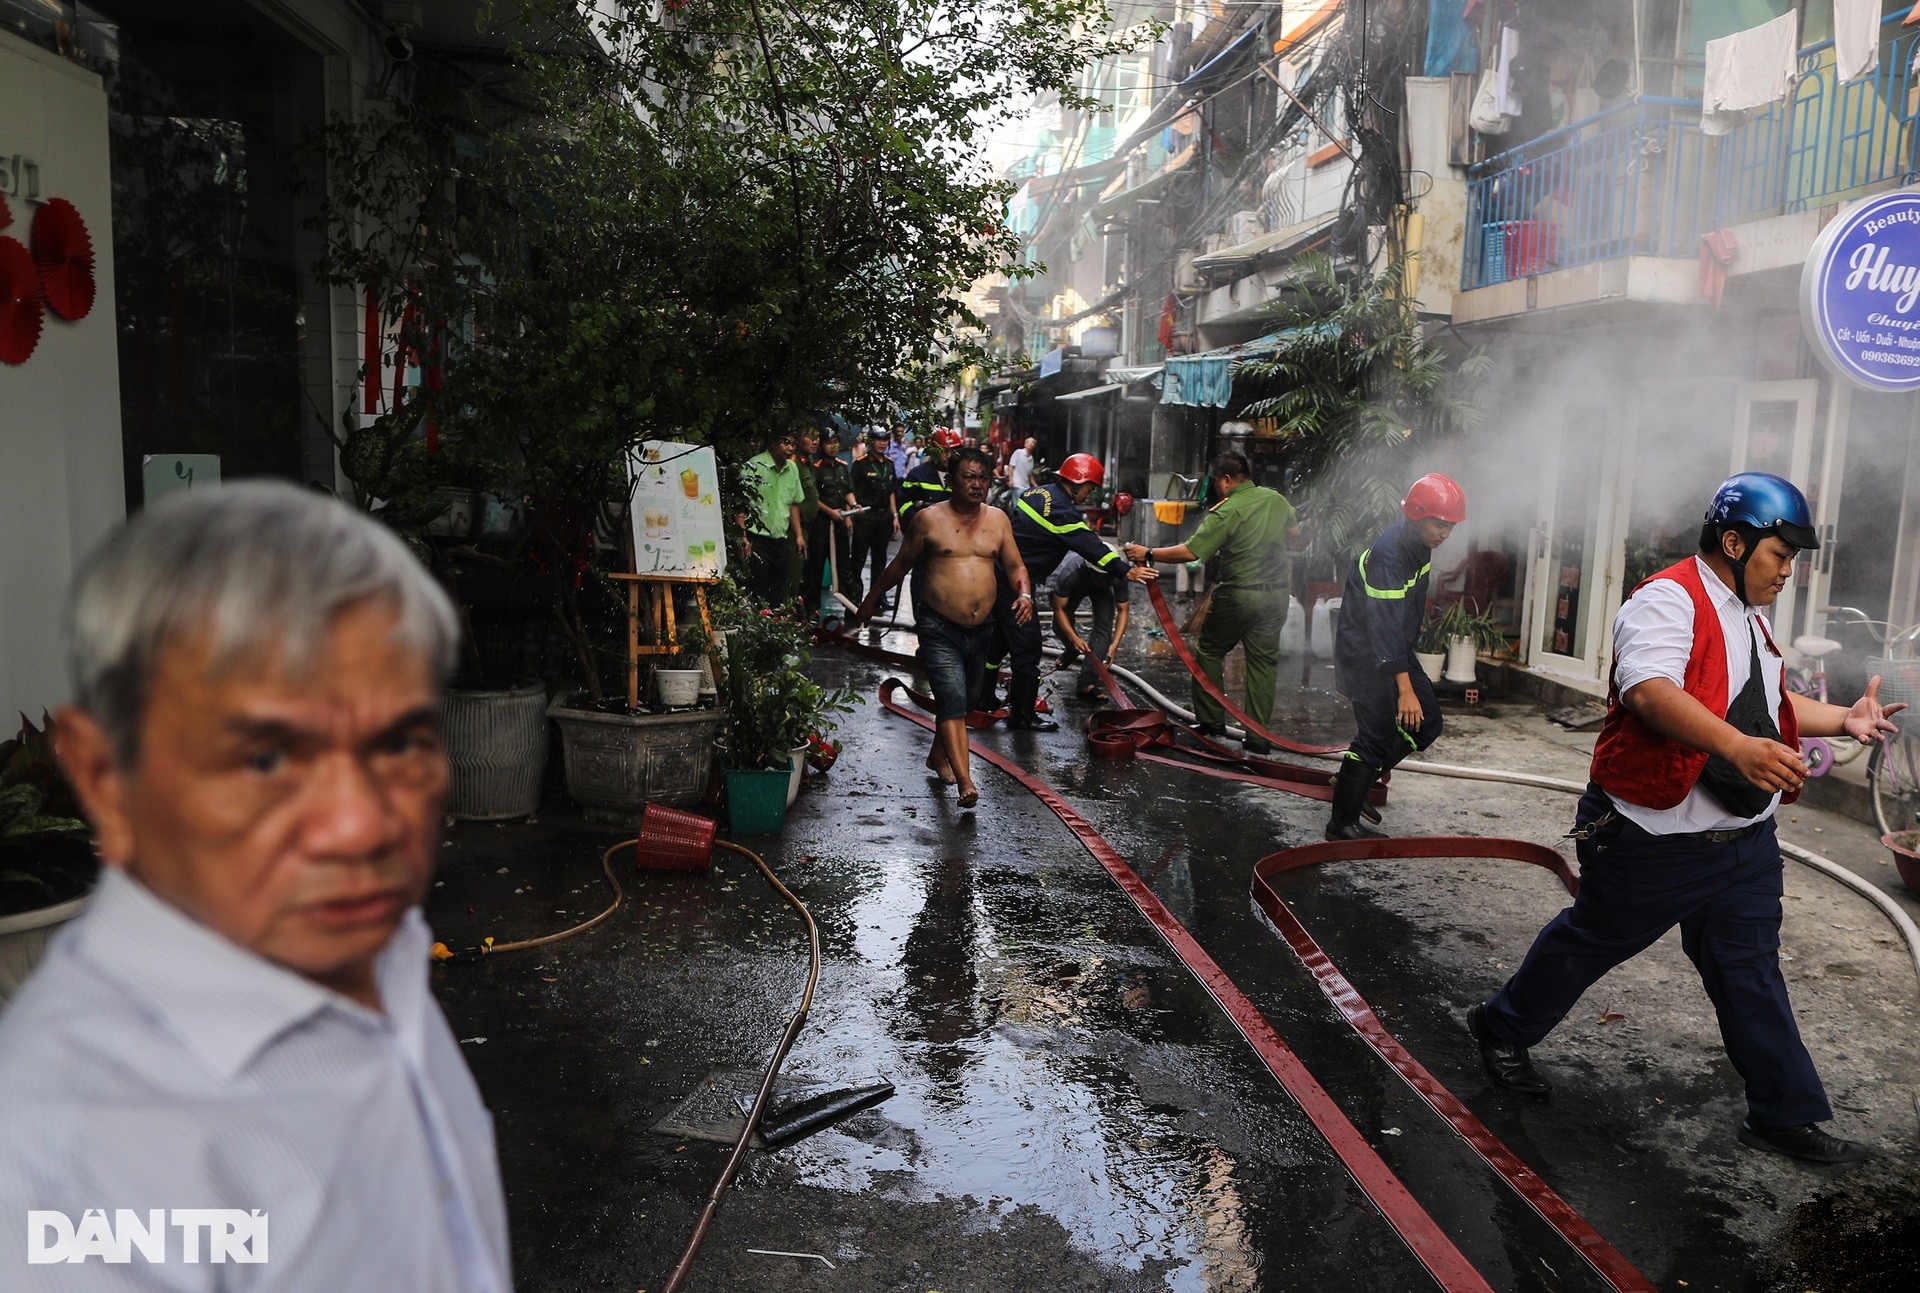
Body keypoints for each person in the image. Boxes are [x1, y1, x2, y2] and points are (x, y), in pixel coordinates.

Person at [0, 483, 510, 1292]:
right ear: (106, 779)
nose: (361, 825)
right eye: (267, 758)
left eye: (398, 741)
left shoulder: (373, 962)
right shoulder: (76, 1156)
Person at [1468, 472, 1902, 1166]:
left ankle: (1782, 1113)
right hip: (1653, 836)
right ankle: (1500, 1026)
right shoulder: (1668, 598)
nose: (1787, 572)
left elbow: (1773, 701)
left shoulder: (1749, 615)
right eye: (1778, 555)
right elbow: (1648, 689)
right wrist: (1734, 744)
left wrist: (1845, 719)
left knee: (1750, 969)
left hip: (1744, 845)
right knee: (1593, 939)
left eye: (1792, 560)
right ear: (1733, 541)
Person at [854, 447, 1033, 809]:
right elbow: (901, 563)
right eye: (969, 477)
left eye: (983, 478)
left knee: (963, 701)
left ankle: (938, 756)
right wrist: (872, 598)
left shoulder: (998, 519)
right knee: (952, 700)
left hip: (982, 628)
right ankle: (965, 781)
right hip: (938, 626)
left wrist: (1025, 594)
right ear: (951, 480)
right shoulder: (928, 519)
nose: (977, 485)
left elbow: (1015, 565)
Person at [1123, 450, 1299, 755]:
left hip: (1238, 594)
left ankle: (1211, 721)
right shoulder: (1276, 499)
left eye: (1217, 483)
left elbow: (1192, 552)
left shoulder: (1227, 510)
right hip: (1275, 596)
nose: (1217, 489)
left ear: (1227, 480)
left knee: (1209, 650)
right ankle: (1258, 738)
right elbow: (1295, 535)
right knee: (1263, 664)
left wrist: (1147, 552)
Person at [1320, 472, 1462, 839]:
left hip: (1393, 649)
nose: (1445, 534)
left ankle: (1355, 781)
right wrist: (1405, 688)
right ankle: (1342, 823)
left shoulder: (1420, 546)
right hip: (1367, 655)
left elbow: (1403, 616)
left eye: (1451, 526)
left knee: (1427, 722)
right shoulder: (1389, 557)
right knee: (1376, 735)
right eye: (1440, 524)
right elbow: (1382, 627)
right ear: (1416, 514)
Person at [1007, 453, 1154, 729]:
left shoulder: (1035, 492)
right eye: (1090, 488)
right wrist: (1126, 570)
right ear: (1077, 481)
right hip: (1017, 582)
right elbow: (1090, 544)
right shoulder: (1061, 511)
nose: (1089, 494)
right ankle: (1022, 717)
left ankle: (983, 699)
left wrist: (1109, 644)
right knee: (1028, 648)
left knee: (1000, 643)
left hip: (1009, 574)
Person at [737, 429, 807, 607]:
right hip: (757, 537)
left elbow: (793, 504)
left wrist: (798, 535)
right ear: (773, 443)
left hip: (780, 539)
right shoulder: (754, 466)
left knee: (778, 591)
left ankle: (773, 626)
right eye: (785, 442)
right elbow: (740, 505)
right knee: (757, 589)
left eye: (793, 443)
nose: (790, 448)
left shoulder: (792, 468)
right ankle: (755, 627)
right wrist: (743, 537)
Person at [1050, 550, 1132, 700]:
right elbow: (1058, 609)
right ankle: (1071, 649)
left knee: (1104, 630)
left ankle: (1087, 683)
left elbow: (1123, 610)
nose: (1101, 581)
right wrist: (1073, 638)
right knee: (1059, 625)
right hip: (1075, 588)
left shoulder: (1119, 574)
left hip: (1102, 593)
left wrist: (1115, 644)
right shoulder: (1071, 572)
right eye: (1098, 577)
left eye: (1105, 577)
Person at [850, 428, 901, 612]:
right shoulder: (861, 464)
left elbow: (891, 493)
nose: (882, 443)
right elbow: (851, 490)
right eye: (879, 440)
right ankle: (855, 599)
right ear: (871, 441)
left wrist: (895, 516)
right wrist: (852, 511)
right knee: (858, 559)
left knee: (880, 560)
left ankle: (878, 598)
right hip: (865, 515)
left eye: (885, 440)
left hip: (884, 516)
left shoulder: (889, 464)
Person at [810, 429, 858, 616]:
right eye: (829, 442)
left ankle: (851, 609)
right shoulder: (816, 468)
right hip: (822, 523)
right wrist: (830, 512)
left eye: (835, 442)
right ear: (822, 445)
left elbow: (848, 490)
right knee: (816, 566)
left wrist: (853, 506)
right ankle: (812, 610)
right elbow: (813, 498)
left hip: (840, 523)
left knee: (844, 566)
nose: (833, 446)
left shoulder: (842, 466)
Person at [790, 427, 823, 615]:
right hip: (797, 528)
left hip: (808, 528)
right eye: (810, 436)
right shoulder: (793, 463)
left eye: (817, 436)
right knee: (793, 577)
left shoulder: (807, 463)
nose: (815, 441)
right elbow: (792, 501)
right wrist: (798, 533)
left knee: (804, 574)